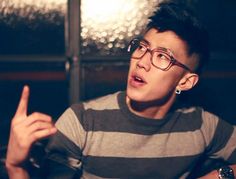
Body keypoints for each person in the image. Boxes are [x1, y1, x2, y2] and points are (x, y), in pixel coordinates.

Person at [5, 1, 236, 178]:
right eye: (143, 47)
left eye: (162, 57)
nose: (142, 61)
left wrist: (219, 175)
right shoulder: (82, 121)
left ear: (185, 82)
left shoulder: (201, 126)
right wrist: (16, 167)